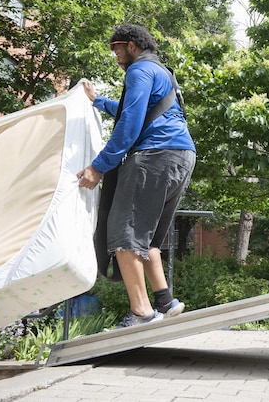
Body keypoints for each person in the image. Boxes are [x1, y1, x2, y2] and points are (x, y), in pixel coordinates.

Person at [77, 24, 195, 328]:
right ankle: (165, 300)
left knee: (124, 234)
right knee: (148, 238)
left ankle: (142, 312)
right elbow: (137, 111)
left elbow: (129, 125)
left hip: (154, 156)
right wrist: (99, 101)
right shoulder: (162, 72)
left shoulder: (139, 71)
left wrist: (98, 166)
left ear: (131, 45)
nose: (116, 57)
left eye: (117, 49)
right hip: (182, 156)